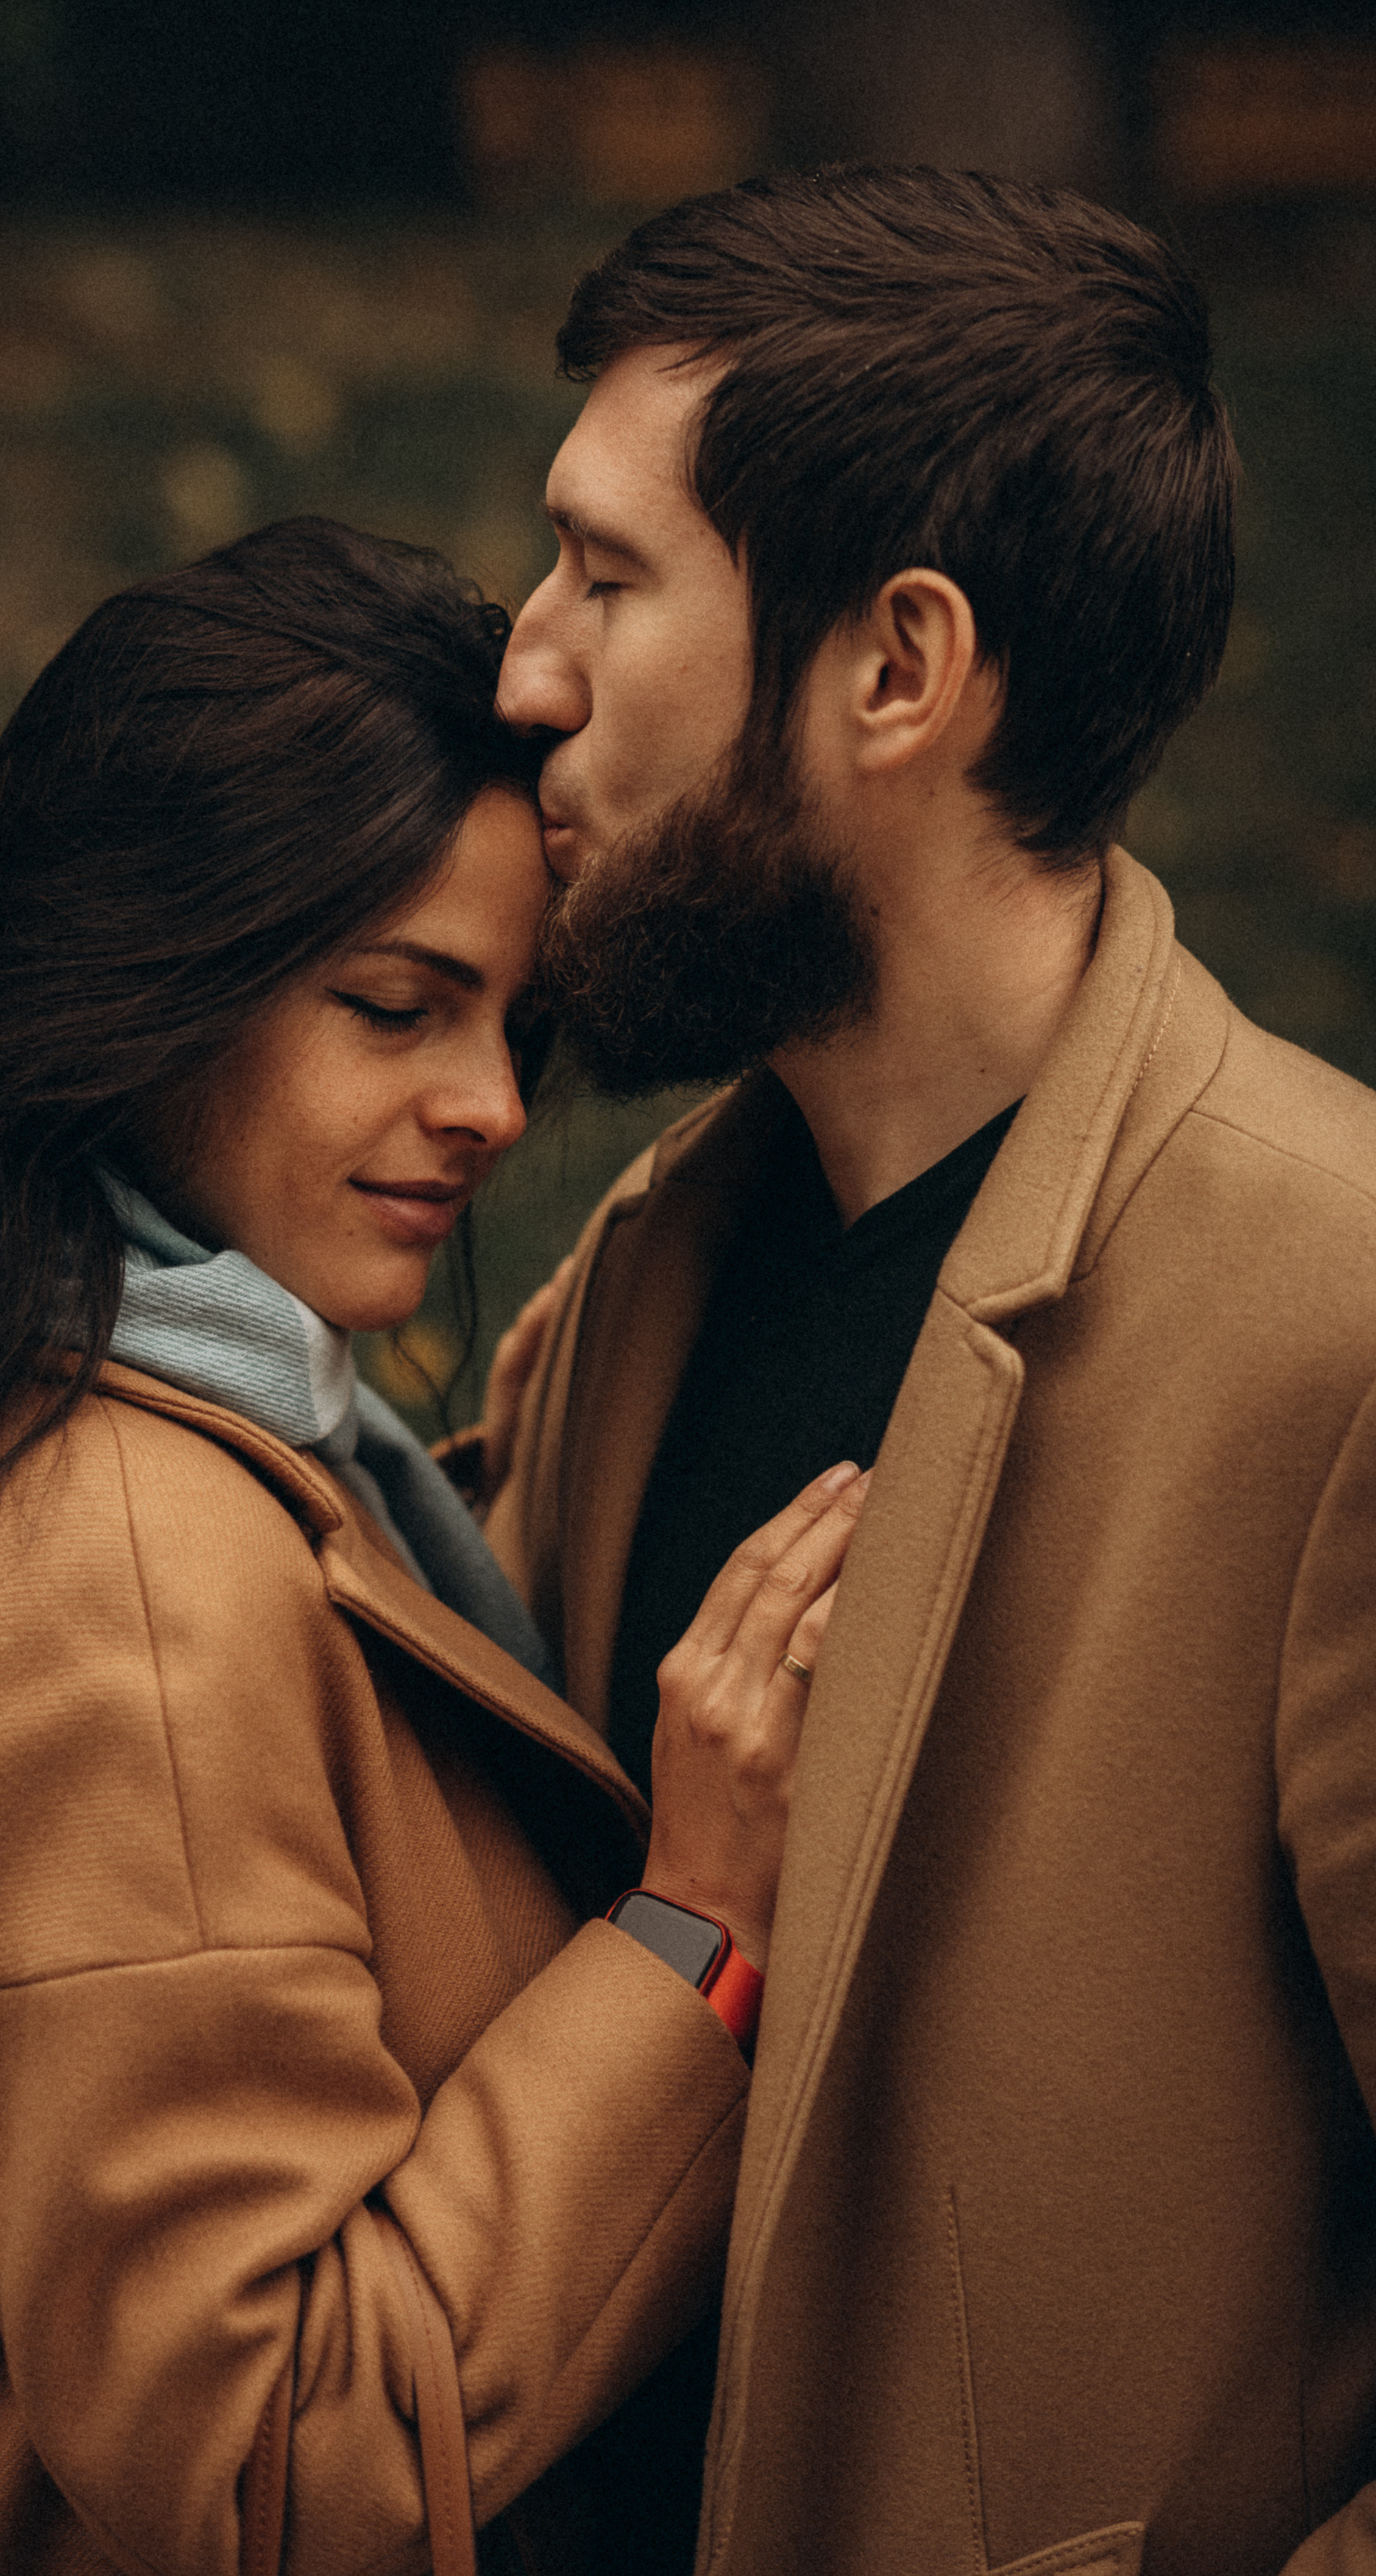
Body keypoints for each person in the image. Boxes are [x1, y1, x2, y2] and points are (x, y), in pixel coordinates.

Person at [0, 515, 868, 2576]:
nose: (490, 1101)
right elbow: (293, 2459)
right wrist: (693, 1937)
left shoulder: (11, 1375)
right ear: (153, 979)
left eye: (508, 1021)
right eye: (399, 1006)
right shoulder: (96, 1575)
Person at [489, 165, 1376, 2576]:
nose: (525, 669)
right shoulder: (648, 1260)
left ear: (898, 667)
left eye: (607, 572)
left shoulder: (1342, 1314)